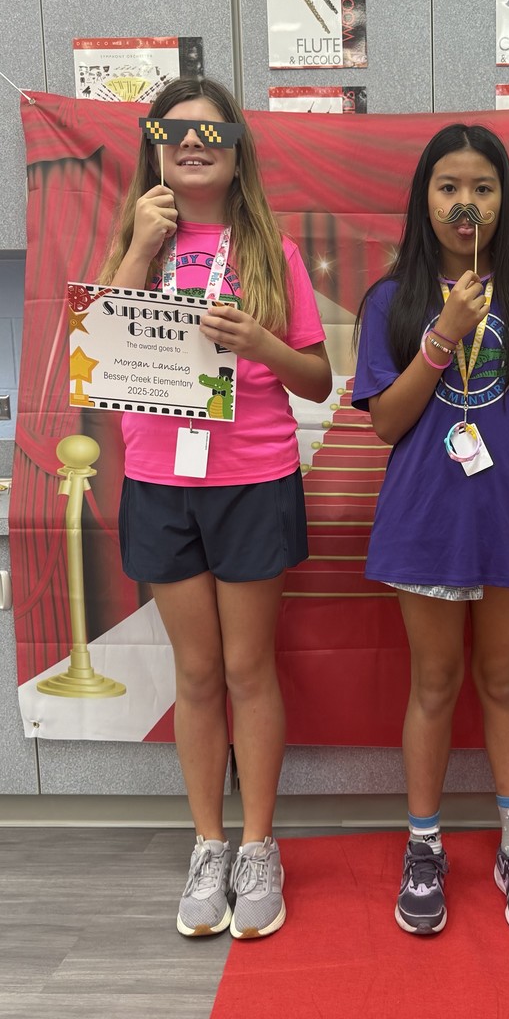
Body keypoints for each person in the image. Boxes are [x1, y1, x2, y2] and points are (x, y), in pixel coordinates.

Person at [100, 78, 332, 939]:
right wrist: (137, 248)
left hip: (253, 480)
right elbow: (95, 361)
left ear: (238, 152)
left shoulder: (274, 252)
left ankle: (259, 844)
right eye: (172, 131)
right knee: (195, 676)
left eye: (210, 132)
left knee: (247, 670)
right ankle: (208, 842)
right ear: (154, 146)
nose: (191, 143)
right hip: (160, 482)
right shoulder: (139, 241)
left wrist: (260, 341)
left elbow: (319, 381)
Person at [352, 123, 509, 936]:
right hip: (425, 524)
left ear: (503, 202)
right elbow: (385, 423)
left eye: (482, 188)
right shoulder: (390, 301)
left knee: (502, 685)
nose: (465, 202)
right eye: (449, 186)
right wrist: (444, 330)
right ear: (425, 200)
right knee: (432, 685)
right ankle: (424, 847)